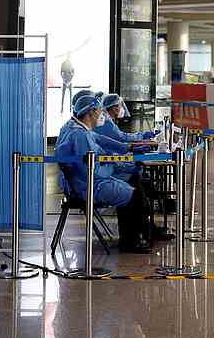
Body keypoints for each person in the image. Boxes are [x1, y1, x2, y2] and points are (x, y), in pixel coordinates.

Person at [55, 91, 153, 253]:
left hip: (80, 182)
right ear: (90, 113)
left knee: (132, 185)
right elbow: (92, 171)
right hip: (87, 186)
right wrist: (121, 167)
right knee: (133, 195)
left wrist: (128, 147)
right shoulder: (79, 135)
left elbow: (100, 140)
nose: (102, 115)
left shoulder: (76, 127)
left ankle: (142, 234)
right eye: (100, 112)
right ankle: (130, 242)